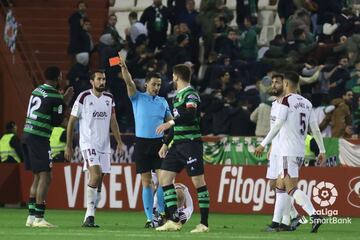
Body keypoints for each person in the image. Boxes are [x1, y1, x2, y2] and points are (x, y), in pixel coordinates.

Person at [255, 71, 326, 233]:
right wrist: (322, 149)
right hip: (299, 151)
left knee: (290, 188)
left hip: (287, 151)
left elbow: (278, 125)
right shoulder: (307, 103)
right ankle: (279, 223)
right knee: (280, 186)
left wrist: (263, 144)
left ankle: (314, 215)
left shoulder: (286, 101)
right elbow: (314, 128)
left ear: (286, 84)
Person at [65, 70, 124, 227]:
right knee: (96, 175)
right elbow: (71, 121)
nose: (102, 82)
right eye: (99, 79)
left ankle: (90, 217)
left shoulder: (109, 98)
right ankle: (89, 215)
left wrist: (119, 141)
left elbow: (113, 121)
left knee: (99, 180)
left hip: (104, 145)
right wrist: (69, 145)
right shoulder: (84, 97)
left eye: (104, 79)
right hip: (88, 143)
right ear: (92, 81)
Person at [119, 56, 173, 228]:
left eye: (159, 84)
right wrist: (124, 68)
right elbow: (128, 83)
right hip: (142, 143)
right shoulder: (137, 97)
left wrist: (169, 131)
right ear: (146, 84)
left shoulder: (163, 102)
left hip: (159, 145)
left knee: (164, 180)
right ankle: (150, 218)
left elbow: (172, 122)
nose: (157, 87)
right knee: (146, 181)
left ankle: (161, 213)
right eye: (154, 84)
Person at [155, 64, 210, 233]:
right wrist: (166, 143)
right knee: (164, 178)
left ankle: (204, 223)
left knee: (198, 182)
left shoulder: (191, 94)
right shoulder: (177, 97)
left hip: (191, 143)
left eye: (173, 76)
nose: (172, 79)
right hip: (177, 144)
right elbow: (177, 124)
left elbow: (190, 115)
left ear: (176, 77)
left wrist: (168, 122)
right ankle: (173, 220)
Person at [23, 66, 73, 227]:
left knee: (38, 176)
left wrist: (61, 101)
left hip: (28, 135)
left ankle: (31, 217)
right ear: (58, 77)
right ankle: (39, 218)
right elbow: (57, 122)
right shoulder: (54, 96)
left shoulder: (37, 90)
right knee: (46, 176)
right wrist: (64, 102)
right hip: (39, 137)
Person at [263, 74, 302, 232]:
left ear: (284, 85)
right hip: (275, 150)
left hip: (286, 150)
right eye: (272, 82)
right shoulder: (274, 104)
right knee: (273, 185)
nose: (274, 85)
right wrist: (271, 147)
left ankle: (285, 221)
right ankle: (294, 215)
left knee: (283, 185)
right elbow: (275, 128)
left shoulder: (291, 103)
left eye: (277, 82)